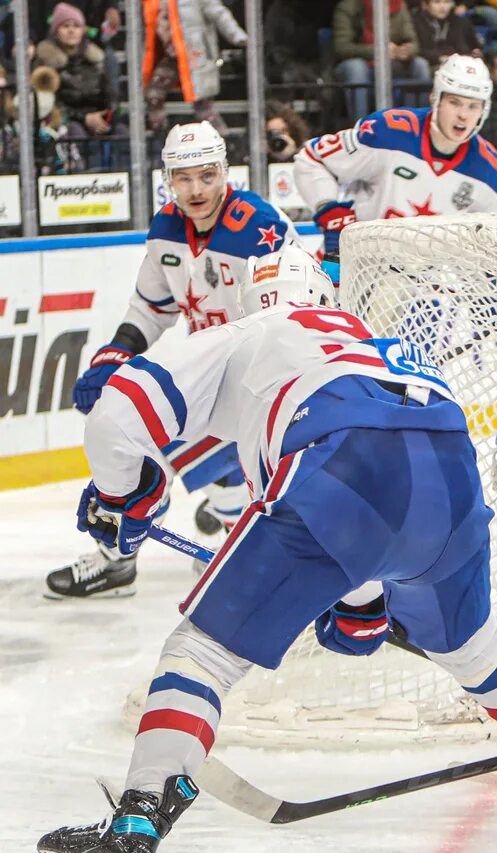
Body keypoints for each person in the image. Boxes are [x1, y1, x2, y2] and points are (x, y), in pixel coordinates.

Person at [36, 248, 497, 853]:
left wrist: (123, 496)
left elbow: (116, 410)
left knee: (203, 654)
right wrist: (363, 604)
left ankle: (140, 815)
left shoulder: (250, 331)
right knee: (471, 641)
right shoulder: (372, 339)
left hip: (339, 458)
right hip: (449, 465)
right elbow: (379, 491)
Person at [45, 121, 300, 600]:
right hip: (207, 366)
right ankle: (125, 557)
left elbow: (296, 310)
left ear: (225, 173)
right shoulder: (166, 226)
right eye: (184, 178)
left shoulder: (260, 227)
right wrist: (114, 355)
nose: (196, 189)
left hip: (263, 370)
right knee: (129, 433)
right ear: (169, 180)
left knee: (220, 466)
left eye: (206, 176)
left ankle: (230, 521)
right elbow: (151, 307)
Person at [293, 54, 497, 275]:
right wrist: (327, 206)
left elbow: (490, 248)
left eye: (473, 106)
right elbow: (312, 157)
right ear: (436, 99)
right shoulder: (388, 133)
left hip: (431, 290)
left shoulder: (491, 171)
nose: (463, 115)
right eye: (454, 102)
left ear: (484, 110)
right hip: (356, 268)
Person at [141, 0, 248, 134]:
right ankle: (162, 135)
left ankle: (221, 139)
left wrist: (238, 36)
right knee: (154, 94)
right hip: (171, 56)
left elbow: (219, 13)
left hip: (194, 56)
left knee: (203, 104)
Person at [331, 0, 432, 123]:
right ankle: (360, 124)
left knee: (420, 65)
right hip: (359, 62)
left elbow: (413, 43)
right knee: (356, 68)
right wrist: (378, 51)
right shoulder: (348, 6)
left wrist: (406, 50)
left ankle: (416, 122)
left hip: (392, 61)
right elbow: (341, 47)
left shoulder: (399, 5)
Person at [33, 3, 115, 143]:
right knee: (76, 132)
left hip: (97, 119)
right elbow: (49, 104)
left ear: (82, 31)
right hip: (65, 123)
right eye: (65, 26)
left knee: (120, 131)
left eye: (76, 26)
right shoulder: (47, 63)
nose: (71, 30)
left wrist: (104, 116)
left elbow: (110, 96)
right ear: (56, 31)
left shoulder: (95, 61)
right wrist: (84, 118)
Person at [411, 0, 482, 70]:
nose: (442, 7)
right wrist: (439, 58)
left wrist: (475, 52)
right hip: (432, 65)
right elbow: (417, 50)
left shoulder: (462, 22)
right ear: (426, 5)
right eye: (437, 2)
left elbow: (475, 46)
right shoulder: (416, 22)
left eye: (447, 2)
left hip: (462, 65)